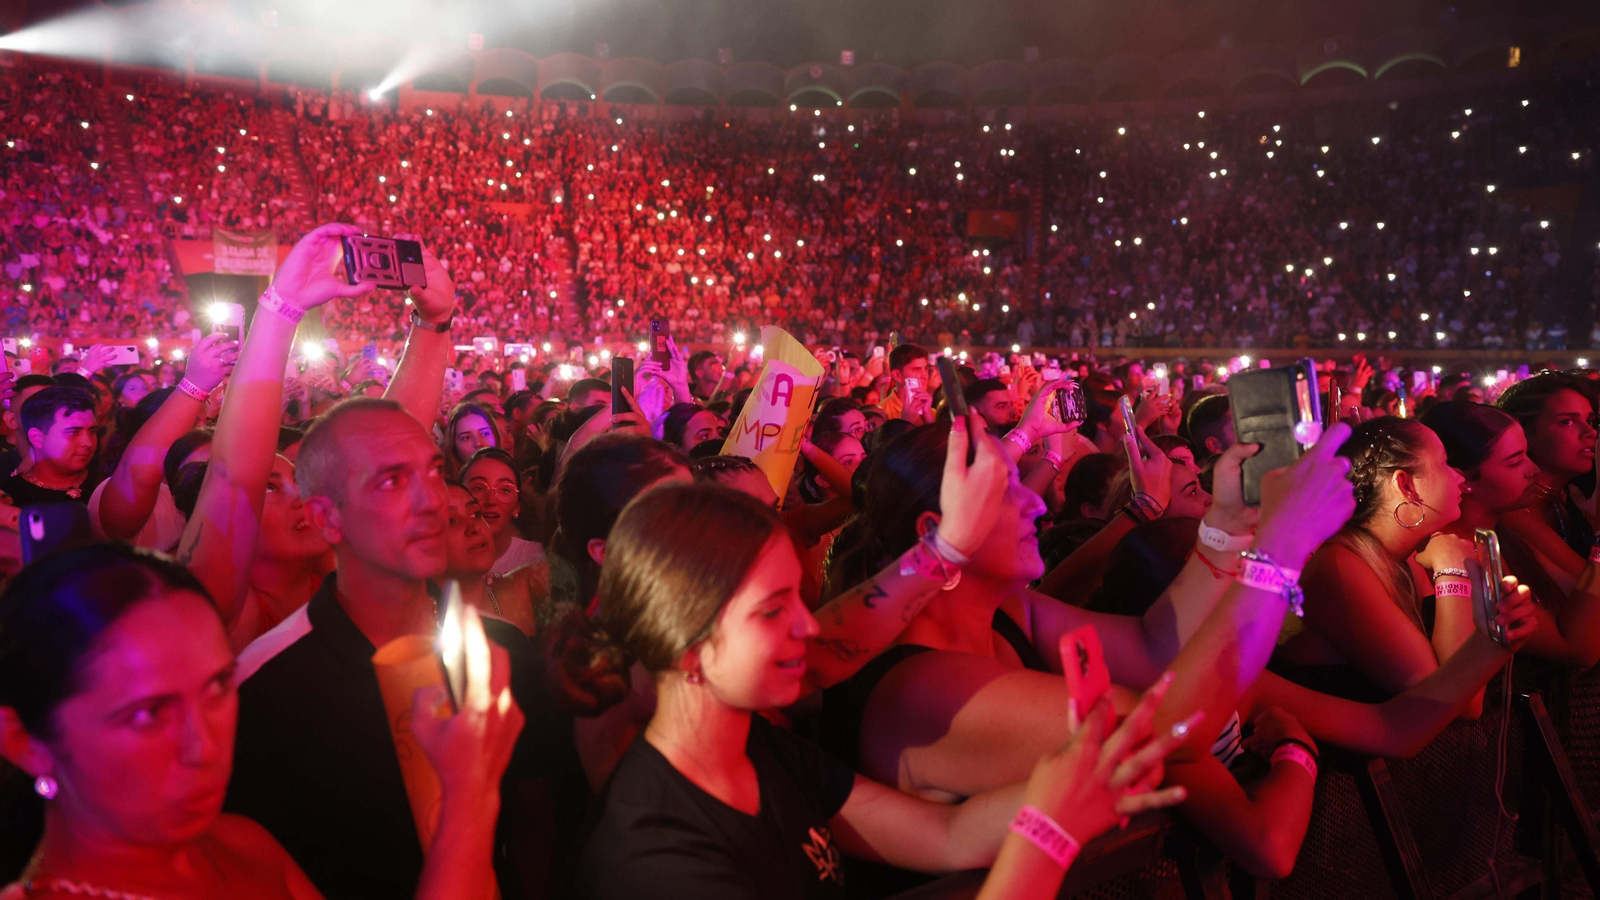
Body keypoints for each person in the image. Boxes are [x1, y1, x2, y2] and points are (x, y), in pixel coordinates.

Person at [574, 479, 1193, 900]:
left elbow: (943, 835)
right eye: (771, 611)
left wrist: (1070, 786)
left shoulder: (757, 750)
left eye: (799, 596)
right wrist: (1049, 835)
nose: (809, 625)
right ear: (688, 648)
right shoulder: (655, 856)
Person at [818, 419, 1358, 824]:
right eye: (1005, 491)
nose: (1034, 503)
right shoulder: (921, 688)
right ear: (936, 528)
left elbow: (1154, 650)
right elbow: (1168, 735)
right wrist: (1279, 550)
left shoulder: (1009, 613)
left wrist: (1227, 529)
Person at [0, 543, 524, 900]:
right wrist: (468, 798)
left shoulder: (243, 845)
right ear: (26, 740)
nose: (202, 745)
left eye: (218, 687)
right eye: (147, 714)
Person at [1274, 418, 1481, 705]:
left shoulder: (1403, 554)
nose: (1459, 476)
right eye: (1445, 462)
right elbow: (1454, 702)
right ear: (1405, 485)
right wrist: (1453, 572)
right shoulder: (1340, 569)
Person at [1422, 400, 1600, 666]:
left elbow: (1584, 597)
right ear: (1464, 480)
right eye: (1516, 462)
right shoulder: (1452, 555)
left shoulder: (1510, 525)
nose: (1534, 470)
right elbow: (1579, 648)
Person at [88, 333, 236, 551]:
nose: (202, 432)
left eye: (206, 422)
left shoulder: (214, 488)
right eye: (193, 423)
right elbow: (140, 472)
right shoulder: (125, 492)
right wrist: (195, 385)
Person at [441, 479, 544, 635]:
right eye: (451, 521)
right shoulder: (414, 627)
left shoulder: (524, 585)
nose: (474, 527)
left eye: (475, 513)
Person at [0, 388, 99, 506]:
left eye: (92, 432)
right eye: (74, 432)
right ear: (37, 438)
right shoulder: (10, 498)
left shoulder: (106, 483)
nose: (88, 443)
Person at [461, 447, 546, 576]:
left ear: (517, 506)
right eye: (478, 488)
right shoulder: (441, 560)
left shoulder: (536, 559)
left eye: (505, 490)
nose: (491, 501)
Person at [879, 344, 933, 425]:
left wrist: (928, 419)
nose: (925, 375)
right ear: (897, 375)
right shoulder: (881, 413)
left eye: (925, 369)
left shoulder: (931, 412)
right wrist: (905, 423)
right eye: (917, 370)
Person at [446, 401, 503, 475]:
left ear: (495, 436)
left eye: (485, 433)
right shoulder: (446, 485)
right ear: (453, 446)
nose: (478, 443)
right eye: (466, 438)